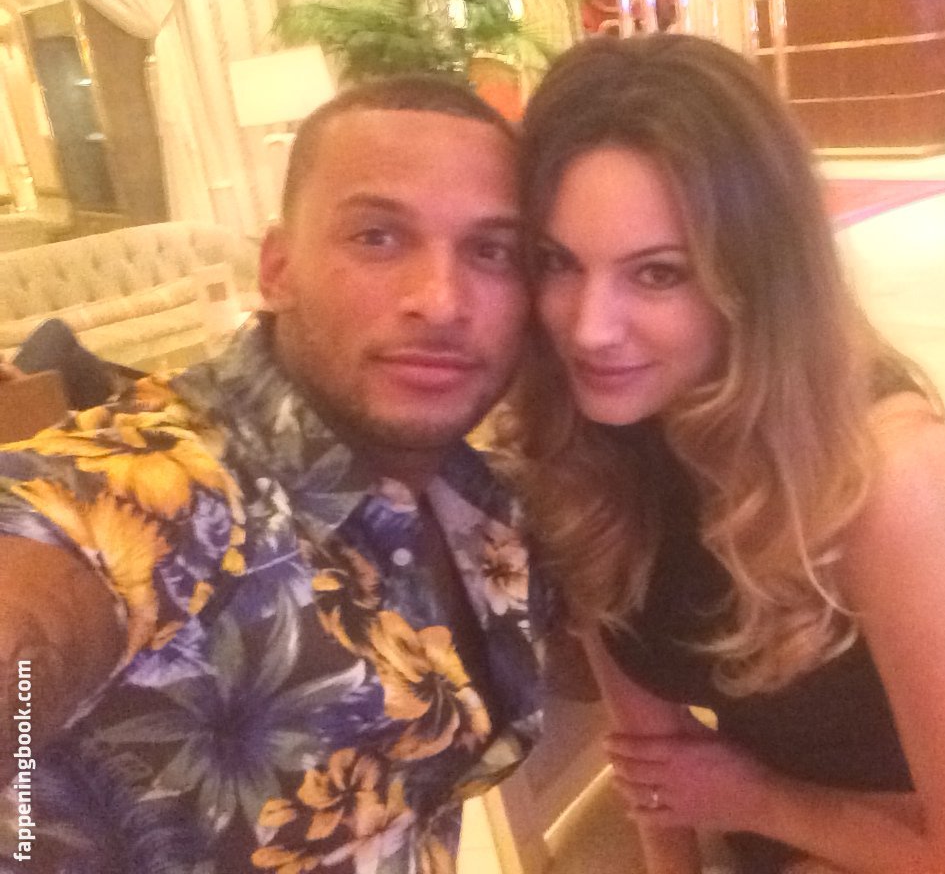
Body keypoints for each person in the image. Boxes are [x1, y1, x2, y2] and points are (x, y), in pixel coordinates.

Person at [502, 33, 945, 874]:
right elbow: (656, 768)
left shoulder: (884, 471)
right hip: (841, 820)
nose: (590, 328)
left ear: (756, 277)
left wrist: (756, 798)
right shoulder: (583, 451)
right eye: (558, 263)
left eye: (658, 273)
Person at [0, 75, 547, 873]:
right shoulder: (169, 480)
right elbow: (53, 566)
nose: (440, 300)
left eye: (492, 251)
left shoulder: (489, 504)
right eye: (377, 238)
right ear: (278, 269)